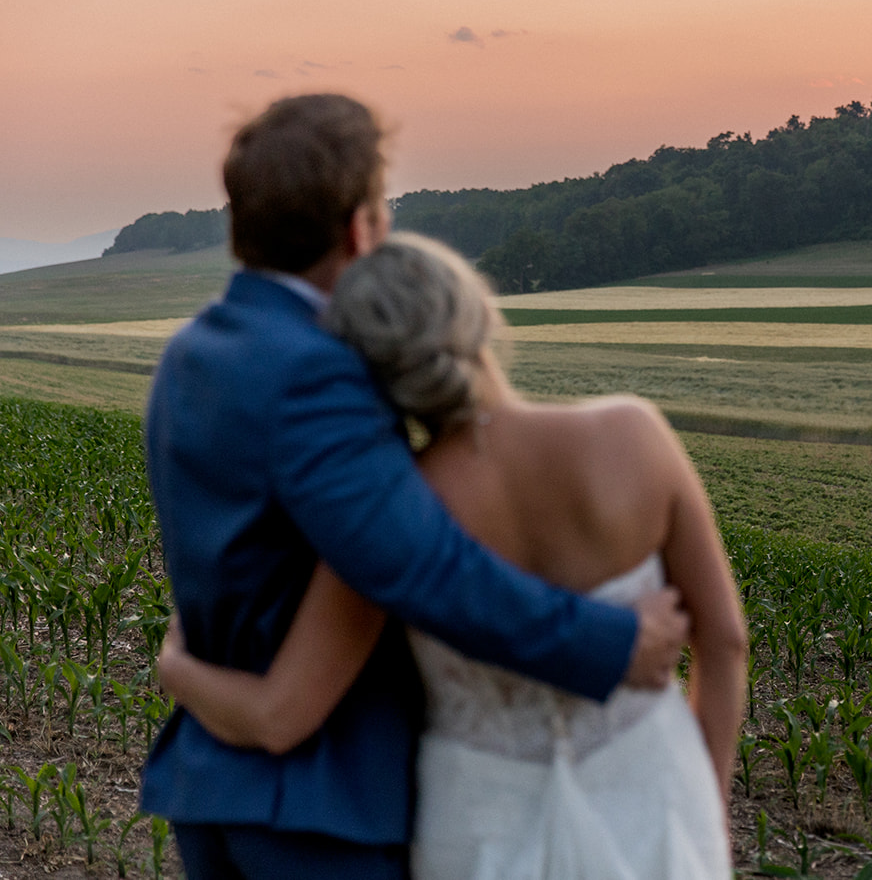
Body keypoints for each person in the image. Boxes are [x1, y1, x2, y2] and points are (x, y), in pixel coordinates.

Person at [142, 95, 691, 880]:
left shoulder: (190, 352)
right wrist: (609, 640)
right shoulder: (315, 372)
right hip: (317, 814)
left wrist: (182, 671)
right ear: (359, 228)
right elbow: (424, 566)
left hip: (211, 793)